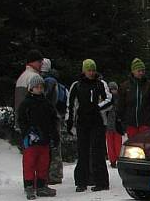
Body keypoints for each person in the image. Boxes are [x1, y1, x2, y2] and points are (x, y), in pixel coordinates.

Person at [66, 59, 113, 192]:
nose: (91, 73)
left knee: (98, 151)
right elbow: (71, 105)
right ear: (84, 71)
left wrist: (97, 108)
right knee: (82, 151)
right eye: (89, 70)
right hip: (82, 122)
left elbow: (109, 100)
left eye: (93, 70)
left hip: (97, 121)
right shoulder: (77, 85)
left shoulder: (100, 84)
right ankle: (82, 181)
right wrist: (69, 122)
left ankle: (102, 182)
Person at [17, 74, 60, 200]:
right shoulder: (26, 104)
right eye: (37, 87)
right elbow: (21, 120)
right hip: (30, 140)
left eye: (41, 87)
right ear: (31, 88)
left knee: (43, 163)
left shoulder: (46, 103)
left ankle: (41, 186)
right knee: (29, 163)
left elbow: (53, 120)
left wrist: (54, 136)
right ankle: (29, 186)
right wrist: (27, 132)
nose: (39, 89)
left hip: (44, 139)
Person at [117, 58, 150, 139]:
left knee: (144, 144)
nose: (141, 73)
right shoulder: (125, 86)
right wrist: (119, 119)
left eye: (143, 71)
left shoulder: (149, 85)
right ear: (133, 71)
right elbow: (121, 104)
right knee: (133, 147)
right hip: (131, 123)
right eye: (139, 71)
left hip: (146, 122)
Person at [41, 58, 66, 184]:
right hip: (57, 116)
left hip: (51, 117)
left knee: (52, 146)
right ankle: (56, 173)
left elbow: (47, 99)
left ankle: (53, 174)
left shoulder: (48, 82)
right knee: (56, 145)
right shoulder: (55, 82)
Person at [14, 50, 43, 129]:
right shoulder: (35, 78)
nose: (41, 64)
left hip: (21, 122)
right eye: (39, 61)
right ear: (33, 62)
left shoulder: (22, 76)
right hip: (32, 124)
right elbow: (39, 101)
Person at [105, 81, 123, 168]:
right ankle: (114, 160)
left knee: (113, 144)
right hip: (112, 124)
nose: (113, 91)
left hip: (115, 124)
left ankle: (115, 160)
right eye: (112, 89)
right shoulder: (117, 98)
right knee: (113, 144)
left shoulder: (110, 98)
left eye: (114, 89)